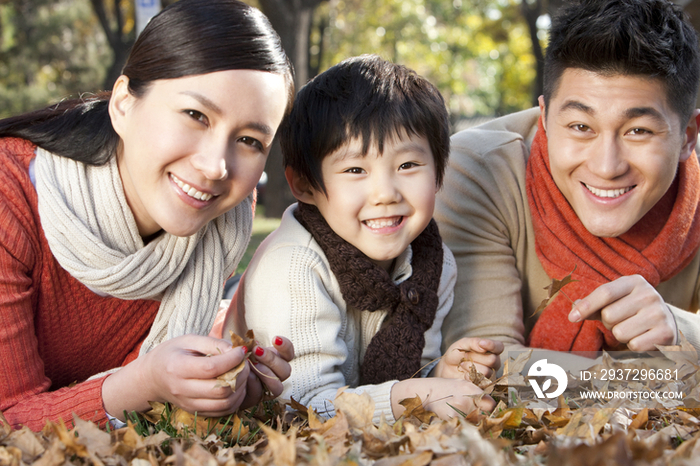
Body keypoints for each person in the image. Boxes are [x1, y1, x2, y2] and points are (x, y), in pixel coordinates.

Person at [0, 0, 296, 431]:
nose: (217, 166)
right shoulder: (11, 196)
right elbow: (8, 421)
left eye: (250, 140)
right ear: (123, 103)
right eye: (196, 115)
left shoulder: (224, 220)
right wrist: (143, 384)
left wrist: (223, 379)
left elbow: (164, 349)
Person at [218, 55, 502, 424]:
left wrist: (440, 375)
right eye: (355, 169)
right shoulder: (293, 265)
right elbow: (298, 407)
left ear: (438, 174)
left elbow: (405, 378)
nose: (385, 193)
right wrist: (417, 395)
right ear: (304, 185)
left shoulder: (434, 263)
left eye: (408, 166)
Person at [435, 0, 700, 367]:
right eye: (580, 127)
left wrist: (681, 330)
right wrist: (671, 367)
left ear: (687, 137)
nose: (607, 167)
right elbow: (487, 372)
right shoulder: (477, 171)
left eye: (638, 131)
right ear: (544, 118)